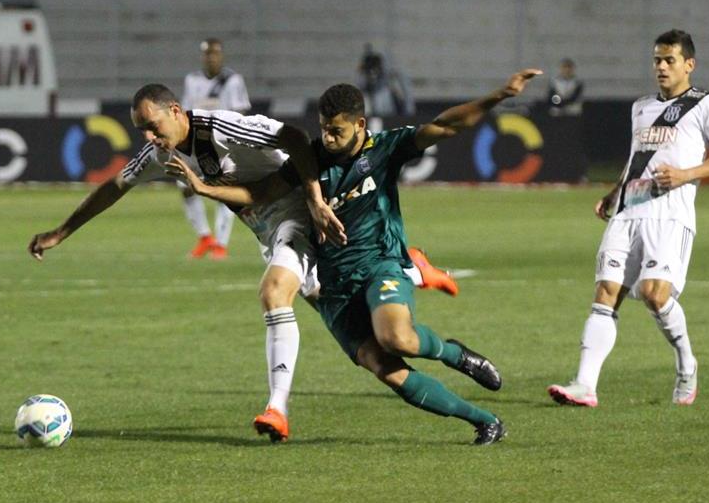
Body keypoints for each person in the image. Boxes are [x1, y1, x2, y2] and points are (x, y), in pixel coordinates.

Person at [167, 69, 543, 444]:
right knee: (386, 369)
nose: (328, 138)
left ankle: (454, 354)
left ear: (360, 124)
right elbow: (259, 194)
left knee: (396, 338)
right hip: (332, 288)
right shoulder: (310, 160)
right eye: (324, 129)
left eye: (337, 131)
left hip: (380, 265)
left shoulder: (384, 149)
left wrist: (499, 96)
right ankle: (485, 421)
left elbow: (446, 126)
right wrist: (203, 188)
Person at [29, 83, 344, 442]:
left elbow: (295, 137)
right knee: (339, 311)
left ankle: (277, 410)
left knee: (274, 294)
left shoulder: (221, 126)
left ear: (176, 111)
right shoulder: (161, 153)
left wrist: (316, 201)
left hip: (298, 216)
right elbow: (115, 186)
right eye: (141, 131)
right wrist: (62, 232)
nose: (149, 136)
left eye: (153, 125)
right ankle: (404, 272)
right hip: (270, 235)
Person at [547, 29, 709, 408]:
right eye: (657, 60)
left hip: (670, 215)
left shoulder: (706, 103)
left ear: (689, 64)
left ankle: (686, 363)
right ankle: (586, 384)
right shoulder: (641, 107)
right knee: (606, 292)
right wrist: (614, 192)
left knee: (654, 295)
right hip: (629, 210)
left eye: (669, 60)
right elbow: (637, 157)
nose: (662, 67)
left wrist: (686, 175)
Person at [178, 38, 251, 260]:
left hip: (222, 144)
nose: (211, 57)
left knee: (223, 191)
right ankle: (204, 237)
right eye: (207, 54)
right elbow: (185, 112)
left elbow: (241, 113)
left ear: (221, 56)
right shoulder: (192, 80)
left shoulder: (232, 80)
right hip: (196, 143)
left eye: (215, 53)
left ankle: (221, 244)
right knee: (184, 185)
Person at [357, 43, 415, 117]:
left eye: (375, 69)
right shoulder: (364, 93)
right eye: (370, 71)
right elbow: (360, 83)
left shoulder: (385, 91)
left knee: (383, 95)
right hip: (370, 113)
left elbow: (407, 98)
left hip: (389, 116)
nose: (373, 74)